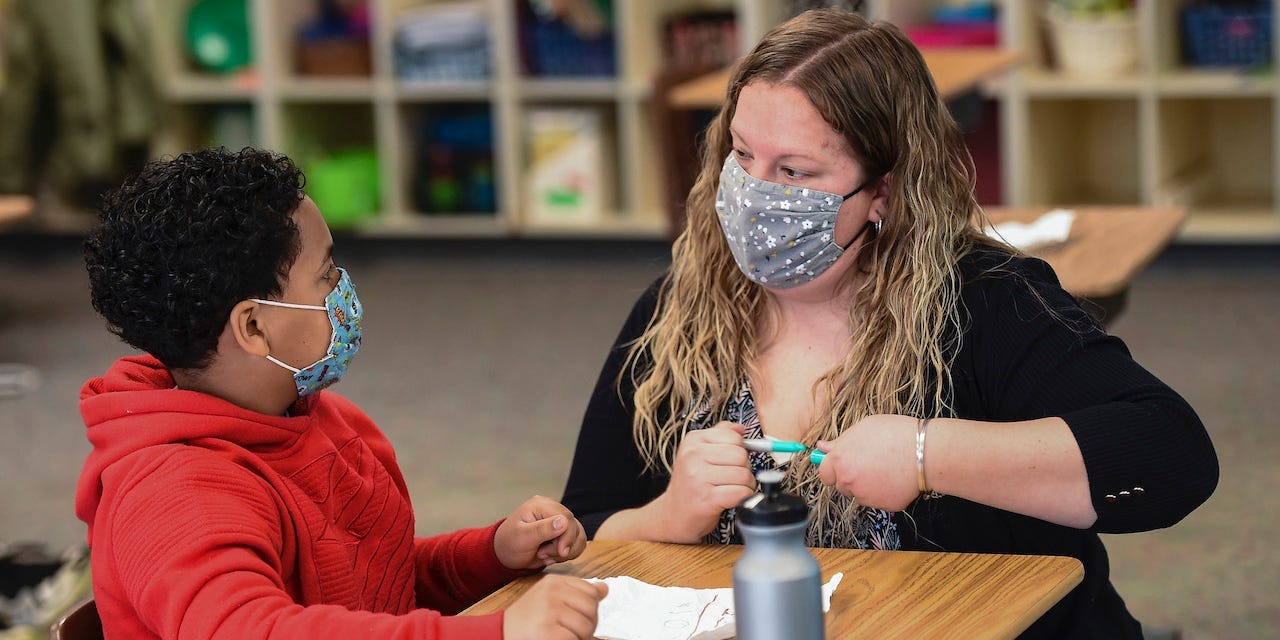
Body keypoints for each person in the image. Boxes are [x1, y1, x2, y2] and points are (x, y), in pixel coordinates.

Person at [561, 9, 1218, 638]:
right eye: (742, 155)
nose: (753, 193)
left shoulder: (980, 303)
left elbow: (1170, 458)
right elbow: (581, 537)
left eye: (793, 171)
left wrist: (930, 455)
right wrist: (668, 515)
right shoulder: (681, 310)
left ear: (884, 192)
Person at [78, 147, 606, 640]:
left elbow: (374, 597)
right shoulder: (174, 493)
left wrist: (490, 554)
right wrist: (493, 631)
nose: (343, 288)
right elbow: (260, 630)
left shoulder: (312, 416)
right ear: (254, 328)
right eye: (327, 274)